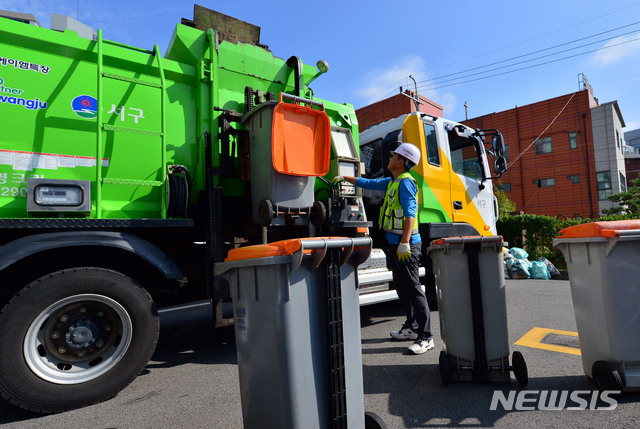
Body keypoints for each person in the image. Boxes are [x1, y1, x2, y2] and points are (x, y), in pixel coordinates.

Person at [333, 143, 433, 354]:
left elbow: (410, 215)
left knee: (413, 288)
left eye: (393, 156)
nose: (389, 159)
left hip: (406, 245)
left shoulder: (406, 183)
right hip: (395, 243)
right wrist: (345, 178)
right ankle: (411, 327)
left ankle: (426, 336)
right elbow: (368, 182)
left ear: (402, 162)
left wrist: (405, 243)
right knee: (401, 286)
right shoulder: (392, 181)